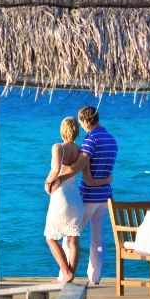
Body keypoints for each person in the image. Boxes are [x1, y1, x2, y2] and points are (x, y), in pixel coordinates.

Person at [49, 105, 118, 286]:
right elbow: (105, 171)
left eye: (81, 122)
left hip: (88, 195)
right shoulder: (111, 139)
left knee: (70, 236)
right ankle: (94, 278)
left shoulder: (91, 139)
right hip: (105, 196)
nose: (81, 126)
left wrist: (59, 179)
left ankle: (64, 276)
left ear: (86, 121)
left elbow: (80, 166)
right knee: (98, 238)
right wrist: (106, 180)